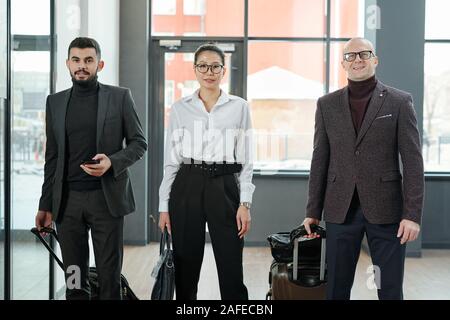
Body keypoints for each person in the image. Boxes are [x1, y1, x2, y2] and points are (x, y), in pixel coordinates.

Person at [302, 37, 424, 300]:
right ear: (343, 64)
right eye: (350, 56)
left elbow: (413, 161)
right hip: (339, 209)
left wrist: (412, 214)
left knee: (389, 287)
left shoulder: (399, 102)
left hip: (387, 211)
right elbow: (319, 159)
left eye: (364, 54)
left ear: (375, 60)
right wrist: (313, 210)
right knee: (336, 288)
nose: (357, 59)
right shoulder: (326, 105)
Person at [35, 37, 147, 300]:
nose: (81, 66)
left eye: (88, 60)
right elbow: (52, 157)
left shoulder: (119, 97)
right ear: (68, 64)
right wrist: (45, 204)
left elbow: (139, 143)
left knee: (109, 278)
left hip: (105, 201)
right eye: (76, 60)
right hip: (67, 205)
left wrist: (112, 162)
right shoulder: (55, 102)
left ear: (100, 64)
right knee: (74, 278)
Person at [158, 43, 255, 300]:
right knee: (185, 264)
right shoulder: (180, 108)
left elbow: (247, 160)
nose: (208, 71)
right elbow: (171, 160)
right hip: (187, 183)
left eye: (215, 66)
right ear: (195, 69)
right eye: (203, 65)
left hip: (224, 184)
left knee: (231, 262)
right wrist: (163, 206)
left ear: (223, 70)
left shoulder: (240, 107)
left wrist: (245, 203)